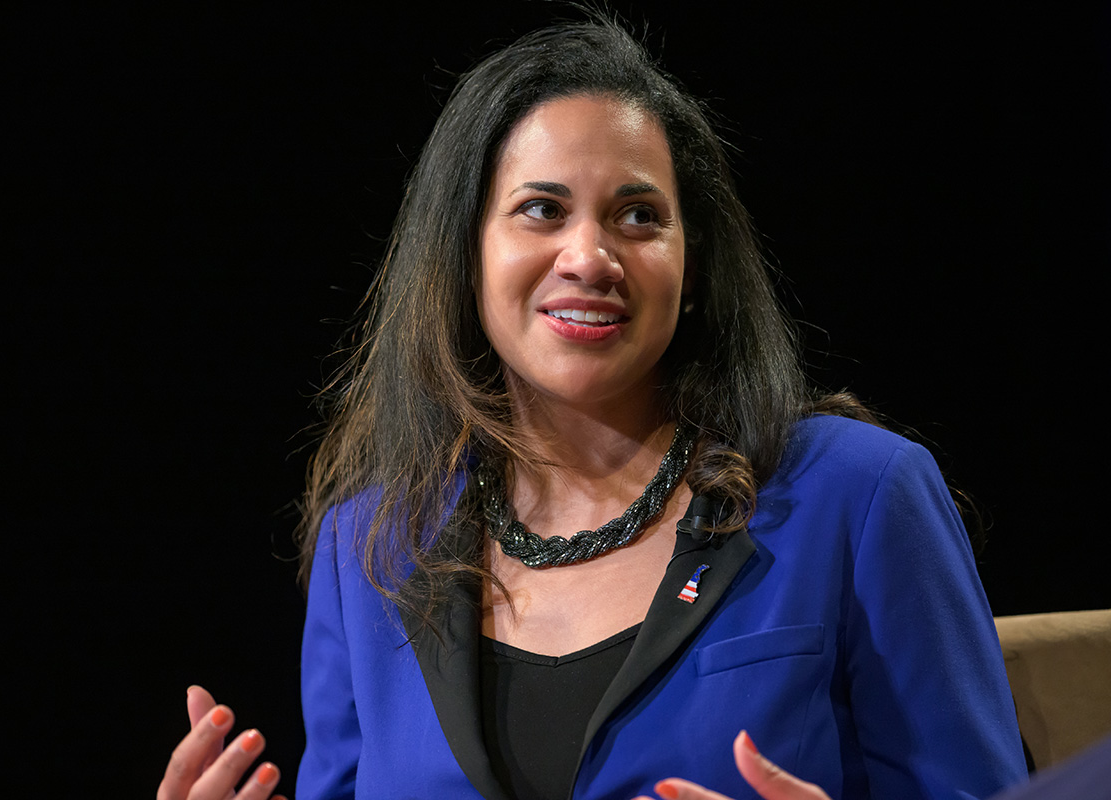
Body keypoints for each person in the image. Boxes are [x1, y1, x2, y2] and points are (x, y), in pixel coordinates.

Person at [157, 17, 1027, 800]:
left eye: (638, 216)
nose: (589, 256)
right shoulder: (371, 546)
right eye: (541, 210)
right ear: (465, 254)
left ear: (691, 267)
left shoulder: (859, 494)